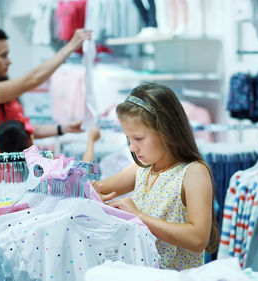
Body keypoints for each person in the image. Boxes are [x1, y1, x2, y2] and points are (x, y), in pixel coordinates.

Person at [92, 83, 220, 271]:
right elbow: (96, 188)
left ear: (166, 131)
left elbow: (198, 238)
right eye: (128, 139)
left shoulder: (193, 173)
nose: (132, 148)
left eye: (139, 139)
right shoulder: (143, 169)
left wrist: (139, 216)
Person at [0, 27, 92, 152]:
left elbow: (24, 129)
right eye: (3, 56)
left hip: (13, 171)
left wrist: (65, 128)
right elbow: (31, 80)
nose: (9, 61)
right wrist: (70, 47)